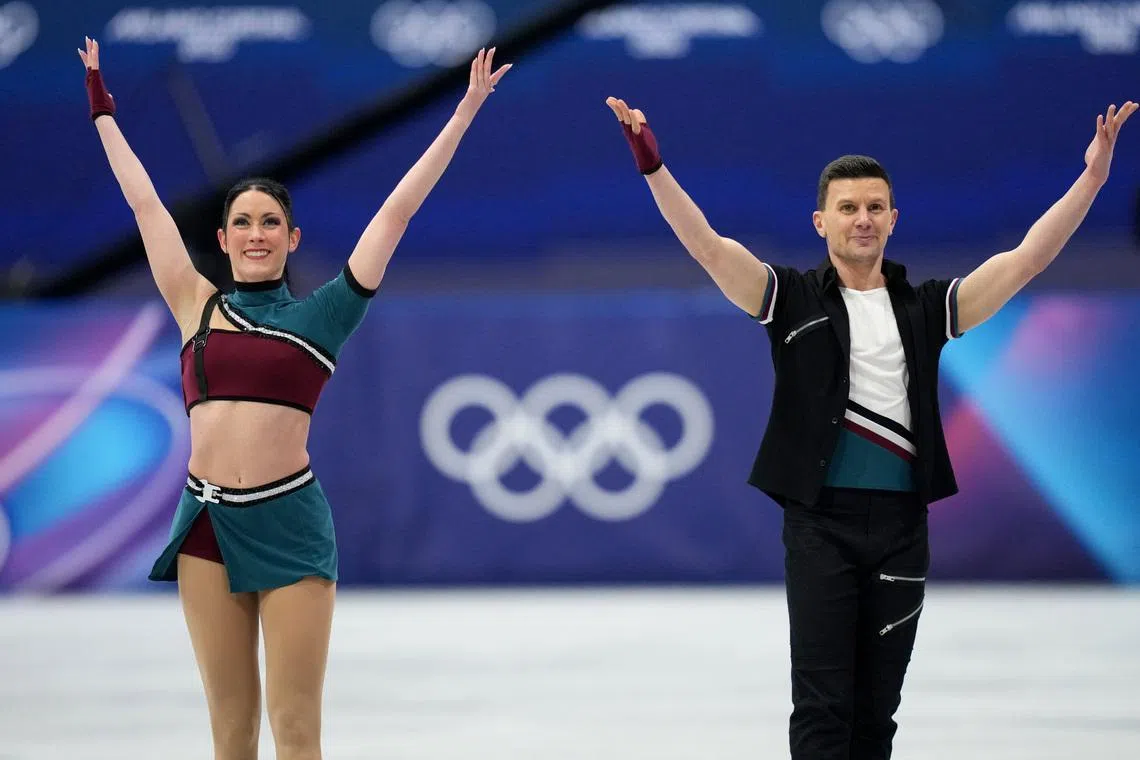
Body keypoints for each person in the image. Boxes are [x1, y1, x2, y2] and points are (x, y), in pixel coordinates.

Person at [604, 95, 1135, 759]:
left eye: (875, 207)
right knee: (823, 708)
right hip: (820, 527)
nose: (863, 219)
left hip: (901, 532)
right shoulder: (788, 298)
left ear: (893, 219)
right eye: (849, 208)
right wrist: (653, 167)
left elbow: (1026, 259)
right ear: (821, 220)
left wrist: (1092, 179)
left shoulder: (929, 306)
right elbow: (709, 249)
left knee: (876, 716)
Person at [79, 35, 511, 760]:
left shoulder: (324, 314)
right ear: (221, 236)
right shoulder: (196, 304)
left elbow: (397, 211)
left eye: (269, 222)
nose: (255, 234)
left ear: (291, 236)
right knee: (230, 733)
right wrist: (103, 114)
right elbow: (145, 204)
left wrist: (464, 113)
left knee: (297, 727)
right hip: (207, 527)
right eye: (242, 222)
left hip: (290, 524)